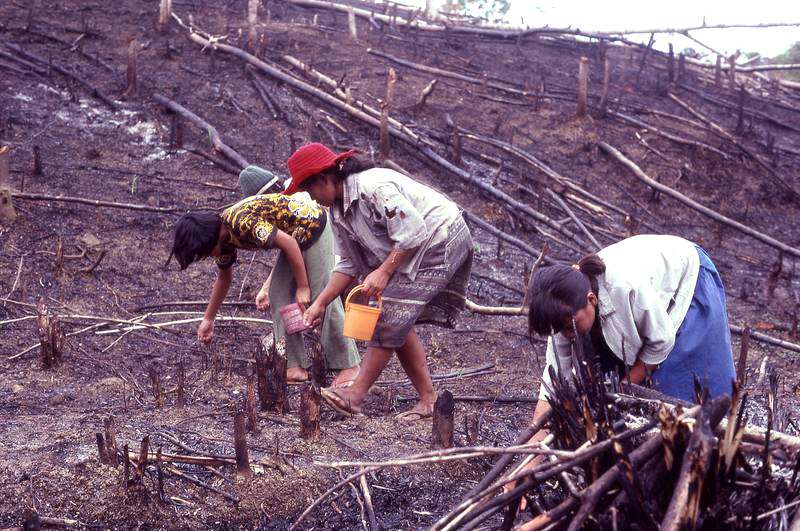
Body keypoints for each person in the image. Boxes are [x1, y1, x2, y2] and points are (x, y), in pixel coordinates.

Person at [505, 234, 736, 501]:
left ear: (592, 299)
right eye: (561, 330)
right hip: (641, 304)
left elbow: (660, 342)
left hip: (687, 280)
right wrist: (530, 460)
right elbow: (555, 383)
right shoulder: (563, 314)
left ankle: (700, 480)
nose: (567, 334)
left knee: (680, 392)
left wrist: (625, 389)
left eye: (570, 327)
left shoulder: (625, 287)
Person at [289, 143, 474, 420]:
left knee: (389, 316)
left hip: (442, 236)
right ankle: (428, 400)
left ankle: (355, 395)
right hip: (416, 245)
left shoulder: (372, 189)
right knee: (396, 318)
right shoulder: (338, 213)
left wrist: (385, 271)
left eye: (309, 190)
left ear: (324, 179)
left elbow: (413, 231)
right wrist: (320, 303)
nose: (311, 199)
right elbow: (348, 264)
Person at [169, 170, 361, 387]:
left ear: (209, 238)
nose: (209, 257)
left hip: (314, 226)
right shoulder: (224, 240)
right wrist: (208, 319)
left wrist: (302, 287)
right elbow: (224, 279)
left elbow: (287, 243)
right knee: (279, 295)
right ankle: (295, 365)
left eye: (205, 252)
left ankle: (349, 366)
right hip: (296, 238)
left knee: (321, 294)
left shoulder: (240, 222)